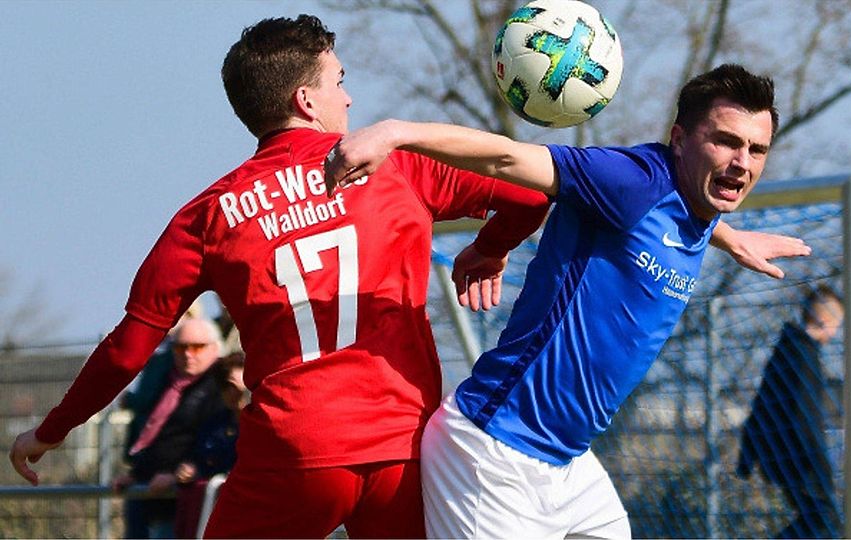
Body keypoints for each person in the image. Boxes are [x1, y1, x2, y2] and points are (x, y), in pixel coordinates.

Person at [8, 14, 552, 539]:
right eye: (339, 80)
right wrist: (489, 249)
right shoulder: (398, 165)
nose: (348, 98)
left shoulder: (207, 215)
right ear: (305, 100)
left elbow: (127, 350)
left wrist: (52, 431)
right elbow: (530, 196)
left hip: (294, 453)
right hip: (402, 448)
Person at [325, 63, 810, 538]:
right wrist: (396, 133)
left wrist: (731, 238)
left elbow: (672, 215)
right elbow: (507, 159)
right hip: (494, 455)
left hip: (569, 465)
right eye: (726, 141)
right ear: (680, 139)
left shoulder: (696, 203)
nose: (742, 161)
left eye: (757, 149)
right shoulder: (632, 181)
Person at [736, 285, 844, 538]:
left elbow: (761, 401)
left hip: (781, 457)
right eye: (837, 324)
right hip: (799, 460)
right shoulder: (804, 356)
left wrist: (747, 455)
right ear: (824, 320)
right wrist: (820, 467)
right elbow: (805, 416)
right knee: (826, 521)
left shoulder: (787, 348)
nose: (836, 332)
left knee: (818, 519)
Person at [112, 317, 227, 539]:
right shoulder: (166, 382)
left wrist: (182, 472)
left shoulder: (220, 388)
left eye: (197, 347)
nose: (188, 354)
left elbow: (215, 438)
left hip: (186, 500)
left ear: (215, 348)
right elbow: (155, 430)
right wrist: (137, 474)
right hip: (150, 490)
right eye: (180, 347)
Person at [174, 352, 247, 539]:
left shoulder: (266, 424)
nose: (234, 393)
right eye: (227, 386)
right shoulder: (214, 425)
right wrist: (192, 469)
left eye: (241, 386)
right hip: (213, 513)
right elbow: (201, 457)